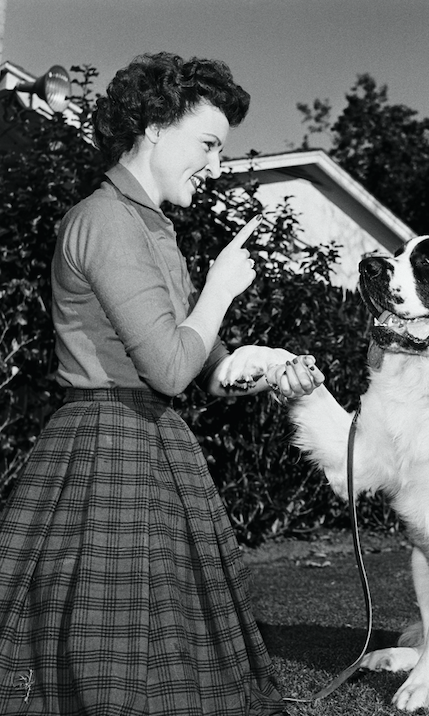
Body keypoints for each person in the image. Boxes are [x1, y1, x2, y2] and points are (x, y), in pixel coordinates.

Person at [0, 52, 324, 715]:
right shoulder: (105, 221)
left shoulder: (154, 227)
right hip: (103, 446)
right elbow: (171, 367)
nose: (213, 164)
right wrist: (220, 290)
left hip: (153, 440)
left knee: (179, 652)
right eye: (206, 142)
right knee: (106, 654)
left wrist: (266, 367)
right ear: (152, 125)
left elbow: (202, 363)